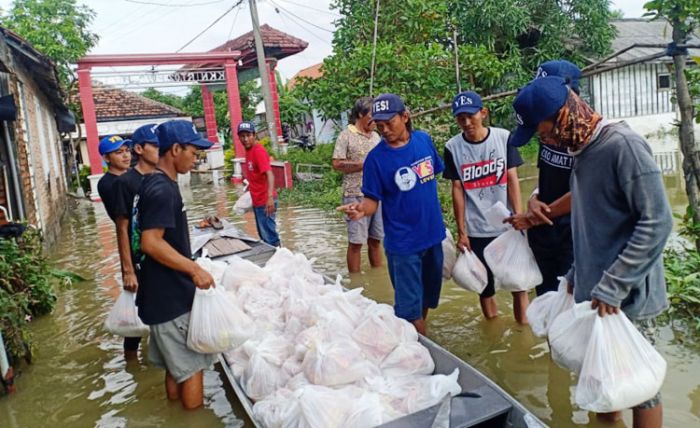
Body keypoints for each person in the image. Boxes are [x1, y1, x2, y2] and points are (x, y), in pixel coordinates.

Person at [510, 76, 672, 427]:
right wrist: (573, 277)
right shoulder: (579, 150)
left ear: (564, 114)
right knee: (601, 385)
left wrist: (615, 283)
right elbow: (589, 222)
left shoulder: (622, 146)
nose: (546, 140)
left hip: (629, 295)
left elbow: (657, 222)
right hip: (593, 291)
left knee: (641, 390)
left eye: (544, 132)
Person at [337, 93, 445, 336]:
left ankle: (418, 339)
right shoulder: (376, 159)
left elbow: (433, 177)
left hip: (433, 236)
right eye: (379, 124)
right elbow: (372, 201)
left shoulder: (424, 141)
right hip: (403, 245)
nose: (384, 130)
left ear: (405, 117)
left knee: (427, 298)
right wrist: (360, 209)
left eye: (390, 123)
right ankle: (420, 353)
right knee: (409, 311)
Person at [134, 119, 216, 410]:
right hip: (170, 296)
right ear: (175, 149)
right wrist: (194, 269)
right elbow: (151, 242)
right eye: (193, 152)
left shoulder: (157, 183)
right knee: (192, 368)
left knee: (175, 366)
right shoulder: (162, 189)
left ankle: (175, 413)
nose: (196, 159)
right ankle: (193, 417)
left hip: (160, 294)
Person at [443, 90, 528, 323]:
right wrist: (462, 232)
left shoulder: (503, 138)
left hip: (507, 225)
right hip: (477, 229)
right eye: (461, 119)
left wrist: (518, 216)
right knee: (485, 285)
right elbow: (457, 189)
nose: (467, 123)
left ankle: (523, 328)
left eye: (471, 116)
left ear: (483, 113)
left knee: (519, 282)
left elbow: (512, 179)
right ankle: (493, 329)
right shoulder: (453, 147)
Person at [505, 60, 581, 296]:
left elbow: (587, 192)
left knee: (569, 304)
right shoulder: (548, 131)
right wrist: (534, 198)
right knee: (547, 303)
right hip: (545, 234)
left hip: (574, 233)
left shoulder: (589, 139)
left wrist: (533, 218)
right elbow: (548, 176)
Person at [111, 124, 160, 360]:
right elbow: (122, 227)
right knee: (135, 319)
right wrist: (127, 270)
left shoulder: (161, 178)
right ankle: (132, 365)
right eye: (155, 145)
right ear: (140, 149)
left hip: (160, 257)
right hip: (140, 259)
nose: (160, 150)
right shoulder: (125, 183)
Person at [96, 135, 139, 361]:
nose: (125, 155)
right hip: (132, 244)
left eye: (126, 150)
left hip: (142, 241)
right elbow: (122, 223)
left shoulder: (130, 177)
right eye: (118, 152)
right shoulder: (108, 184)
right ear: (106, 158)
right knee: (136, 302)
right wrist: (127, 268)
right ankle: (131, 359)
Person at [332, 97, 384, 273]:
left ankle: (377, 276)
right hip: (354, 194)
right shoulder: (345, 135)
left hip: (376, 195)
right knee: (356, 242)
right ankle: (355, 282)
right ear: (361, 114)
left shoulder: (376, 136)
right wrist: (361, 165)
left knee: (376, 240)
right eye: (372, 114)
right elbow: (337, 164)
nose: (376, 119)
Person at [239, 121, 280, 247]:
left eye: (248, 135)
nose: (245, 139)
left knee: (270, 237)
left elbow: (269, 175)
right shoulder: (248, 151)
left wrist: (270, 198)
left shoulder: (258, 151)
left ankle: (280, 259)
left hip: (265, 201)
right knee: (264, 237)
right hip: (258, 201)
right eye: (242, 136)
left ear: (254, 135)